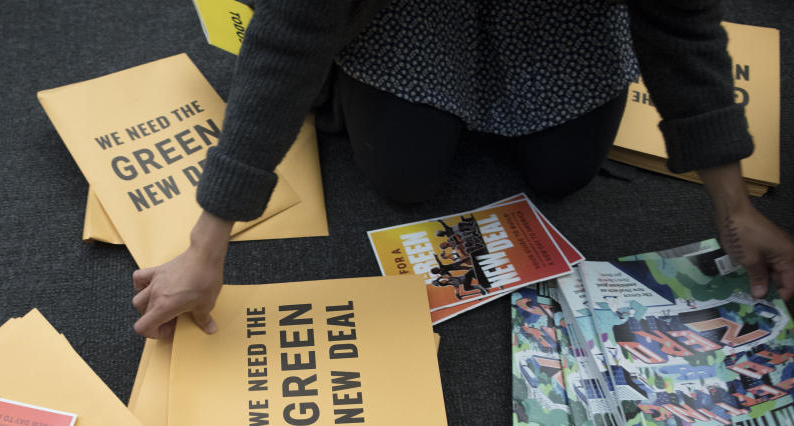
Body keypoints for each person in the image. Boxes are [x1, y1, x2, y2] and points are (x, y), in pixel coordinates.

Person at [132, 0, 794, 339]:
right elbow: (291, 32)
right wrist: (206, 243)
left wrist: (734, 205)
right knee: (402, 177)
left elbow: (679, 27)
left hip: (557, 19)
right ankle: (345, 77)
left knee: (566, 172)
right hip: (420, 16)